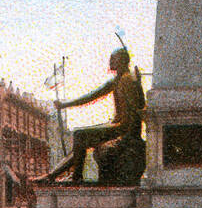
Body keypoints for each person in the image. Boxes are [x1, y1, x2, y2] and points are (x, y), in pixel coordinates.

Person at [33, 48, 143, 184]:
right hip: (119, 125)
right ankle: (56, 175)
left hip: (123, 128)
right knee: (80, 138)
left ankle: (73, 177)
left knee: (80, 135)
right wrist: (65, 104)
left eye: (113, 58)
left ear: (122, 60)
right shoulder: (118, 80)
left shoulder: (127, 80)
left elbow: (137, 110)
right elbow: (91, 96)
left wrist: (129, 134)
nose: (110, 61)